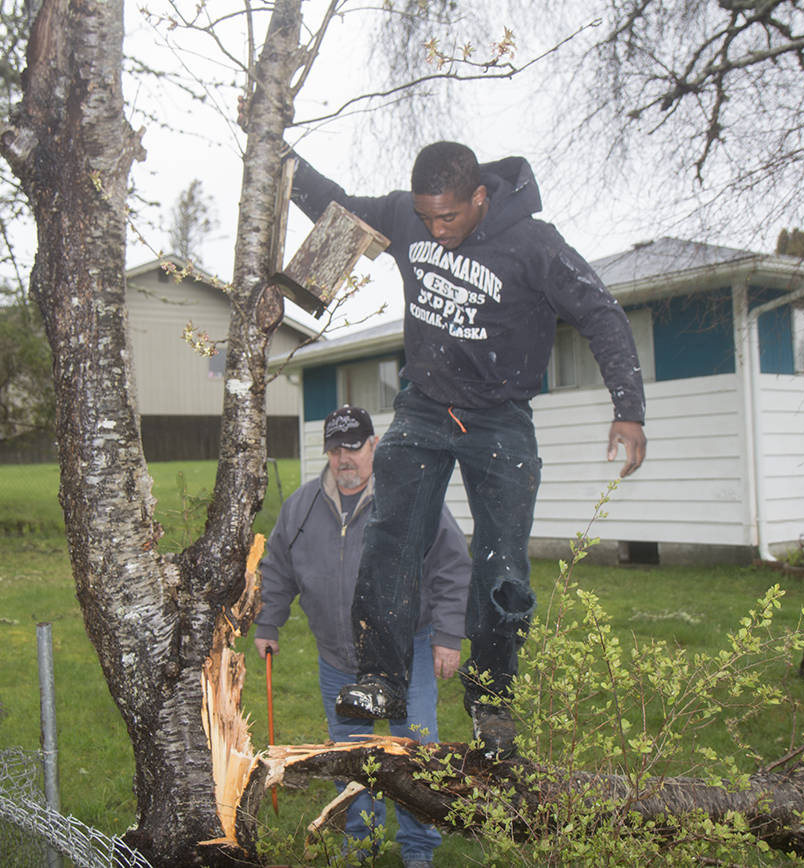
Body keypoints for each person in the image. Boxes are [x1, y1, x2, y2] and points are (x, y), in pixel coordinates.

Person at [287, 141, 648, 759]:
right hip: (424, 407)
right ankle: (380, 679)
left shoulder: (534, 244)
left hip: (500, 418)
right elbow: (337, 205)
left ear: (479, 196)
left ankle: (492, 701)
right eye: (426, 218)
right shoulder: (406, 216)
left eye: (447, 217)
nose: (435, 229)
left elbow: (601, 312)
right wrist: (280, 156)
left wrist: (630, 410)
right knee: (392, 535)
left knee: (501, 562)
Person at [255, 404, 470, 868]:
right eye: (334, 449)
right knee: (352, 757)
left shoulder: (410, 498)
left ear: (374, 446)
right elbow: (276, 569)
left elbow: (451, 565)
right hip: (338, 660)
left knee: (413, 753)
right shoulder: (302, 507)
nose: (342, 459)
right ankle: (362, 843)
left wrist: (449, 635)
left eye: (352, 447)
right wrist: (268, 622)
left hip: (405, 652)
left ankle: (417, 850)